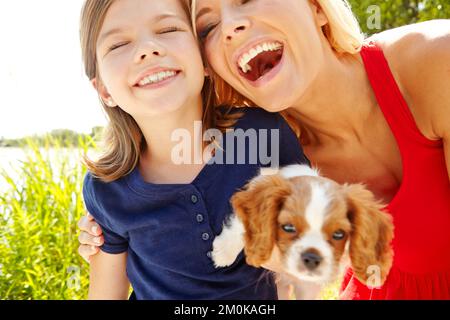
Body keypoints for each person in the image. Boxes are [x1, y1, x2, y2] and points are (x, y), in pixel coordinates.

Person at [79, 0, 450, 299]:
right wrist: (106, 232)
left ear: (317, 6)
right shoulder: (263, 144)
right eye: (208, 26)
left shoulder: (435, 63)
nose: (230, 27)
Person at [79, 0, 308, 300]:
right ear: (104, 90)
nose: (148, 49)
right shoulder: (107, 189)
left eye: (169, 28)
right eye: (119, 43)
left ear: (203, 60)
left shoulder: (264, 136)